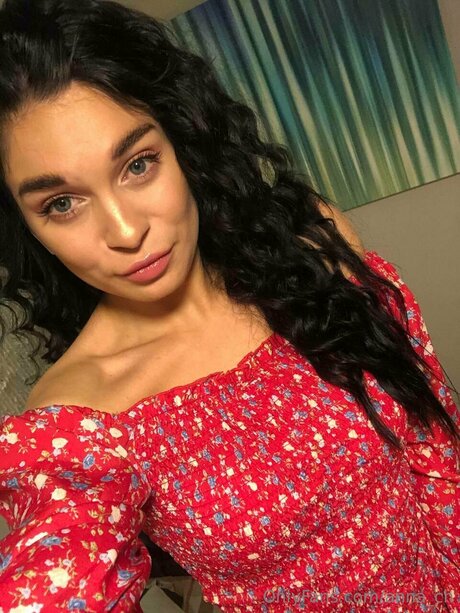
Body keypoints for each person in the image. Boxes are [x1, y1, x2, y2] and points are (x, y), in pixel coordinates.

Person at [0, 0, 458, 611]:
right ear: (26, 227)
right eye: (61, 204)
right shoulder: (80, 419)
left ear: (182, 143)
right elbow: (55, 573)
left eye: (138, 165)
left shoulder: (308, 248)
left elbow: (432, 446)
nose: (126, 231)